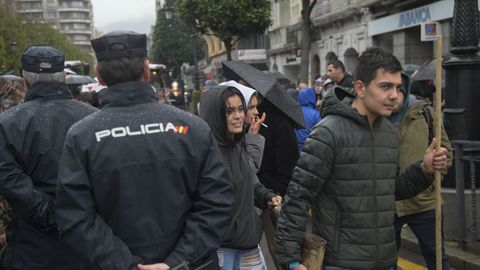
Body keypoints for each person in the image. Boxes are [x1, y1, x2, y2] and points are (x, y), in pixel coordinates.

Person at [54, 31, 234, 270]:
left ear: (99, 75)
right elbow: (218, 202)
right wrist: (177, 262)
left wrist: (126, 264)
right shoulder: (192, 128)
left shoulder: (81, 136)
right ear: (147, 71)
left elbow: (74, 217)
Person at [274, 47, 449, 270]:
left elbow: (392, 189)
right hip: (342, 263)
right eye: (385, 86)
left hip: (385, 261)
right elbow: (298, 198)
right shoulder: (328, 133)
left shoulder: (387, 132)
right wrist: (291, 261)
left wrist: (424, 168)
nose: (394, 95)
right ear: (360, 88)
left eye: (397, 87)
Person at [0, 45, 97, 270]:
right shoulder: (95, 119)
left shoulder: (7, 124)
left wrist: (51, 215)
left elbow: (10, 180)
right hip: (90, 245)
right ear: (63, 76)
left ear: (25, 80)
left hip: (31, 248)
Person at [199, 84, 281, 270]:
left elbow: (250, 182)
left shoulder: (237, 144)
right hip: (222, 250)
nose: (238, 116)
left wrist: (266, 196)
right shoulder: (204, 154)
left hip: (248, 244)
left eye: (239, 109)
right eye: (229, 111)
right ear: (215, 114)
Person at [389, 73, 452, 270]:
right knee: (386, 260)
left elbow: (446, 152)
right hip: (389, 204)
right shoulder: (376, 117)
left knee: (437, 258)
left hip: (424, 202)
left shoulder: (424, 112)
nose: (392, 95)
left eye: (397, 89)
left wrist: (435, 172)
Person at [220, 80, 266, 171]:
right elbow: (246, 172)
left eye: (240, 109)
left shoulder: (238, 134)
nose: (256, 112)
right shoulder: (225, 140)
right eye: (251, 107)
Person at [294, 87, 321, 152]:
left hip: (294, 147)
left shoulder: (294, 112)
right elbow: (320, 133)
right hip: (310, 149)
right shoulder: (316, 114)